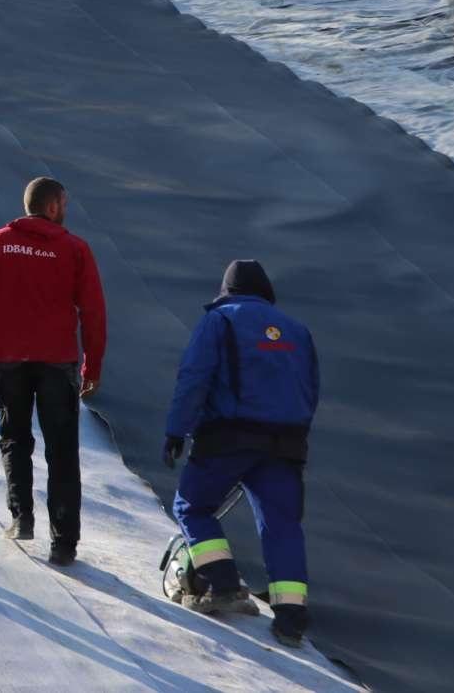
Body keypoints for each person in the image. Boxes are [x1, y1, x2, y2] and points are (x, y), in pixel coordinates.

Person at [162, 259, 317, 647]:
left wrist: (176, 430)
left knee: (192, 507)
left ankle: (224, 584)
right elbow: (310, 389)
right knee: (282, 525)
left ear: (227, 291)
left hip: (228, 436)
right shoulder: (298, 331)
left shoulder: (221, 320)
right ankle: (291, 618)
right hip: (286, 443)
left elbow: (195, 376)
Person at [0, 176, 106, 565]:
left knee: (14, 438)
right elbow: (93, 311)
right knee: (62, 451)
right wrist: (93, 362)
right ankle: (63, 544)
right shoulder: (75, 249)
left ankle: (21, 517)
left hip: (9, 359)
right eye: (65, 203)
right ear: (54, 206)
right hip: (58, 363)